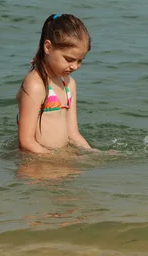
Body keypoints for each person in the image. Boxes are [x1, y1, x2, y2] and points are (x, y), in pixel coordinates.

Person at [16, 14, 93, 154]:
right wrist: (55, 160)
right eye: (69, 59)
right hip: (35, 166)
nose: (75, 66)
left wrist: (94, 154)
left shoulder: (69, 84)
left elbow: (73, 134)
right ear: (48, 47)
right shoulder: (35, 85)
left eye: (80, 61)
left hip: (58, 162)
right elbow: (26, 142)